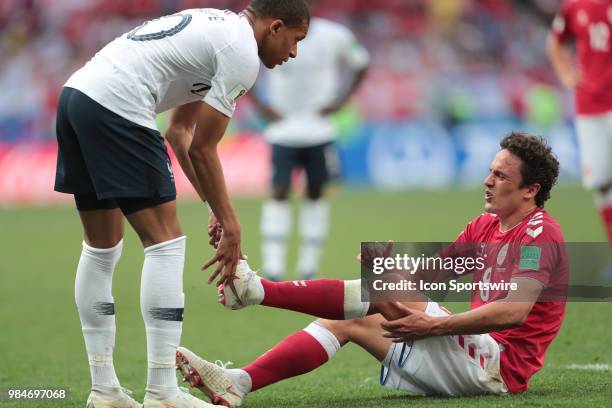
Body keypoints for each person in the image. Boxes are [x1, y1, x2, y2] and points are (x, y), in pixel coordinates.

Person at [177, 132, 567, 405]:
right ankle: (238, 383)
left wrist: (433, 324)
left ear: (530, 190)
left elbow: (514, 312)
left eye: (500, 176)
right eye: (490, 171)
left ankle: (255, 290)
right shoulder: (486, 226)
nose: (487, 181)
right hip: (473, 353)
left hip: (499, 366)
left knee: (373, 298)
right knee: (349, 317)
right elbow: (429, 278)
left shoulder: (540, 234)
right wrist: (385, 270)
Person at [53, 2, 309, 407]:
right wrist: (232, 224)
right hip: (119, 105)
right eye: (296, 40)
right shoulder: (242, 53)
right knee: (166, 244)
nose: (293, 53)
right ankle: (162, 393)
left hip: (77, 97)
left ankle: (105, 392)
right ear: (276, 26)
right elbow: (205, 148)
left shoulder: (219, 29)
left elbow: (180, 131)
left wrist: (212, 206)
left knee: (101, 249)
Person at [253, 8, 370, 281]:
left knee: (316, 193)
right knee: (279, 191)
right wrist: (260, 104)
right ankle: (274, 267)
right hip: (282, 129)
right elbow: (242, 59)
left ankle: (308, 266)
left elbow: (361, 62)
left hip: (319, 130)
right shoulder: (273, 31)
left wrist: (342, 101)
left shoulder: (334, 35)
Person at [547, 0, 612, 243]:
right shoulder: (575, 7)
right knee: (602, 182)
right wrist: (565, 74)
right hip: (589, 106)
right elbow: (555, 42)